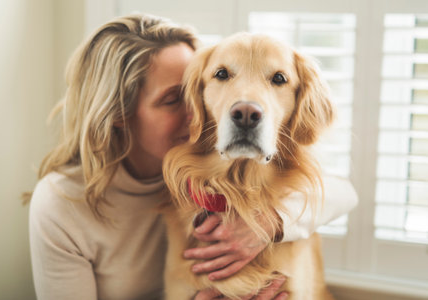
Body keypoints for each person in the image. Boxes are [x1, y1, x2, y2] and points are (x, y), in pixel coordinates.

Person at [28, 14, 358, 300]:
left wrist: (272, 222)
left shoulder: (201, 173)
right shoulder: (61, 204)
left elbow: (343, 193)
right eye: (174, 99)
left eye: (194, 90)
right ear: (118, 112)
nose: (198, 112)